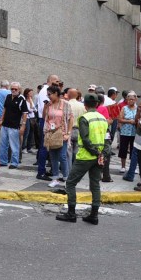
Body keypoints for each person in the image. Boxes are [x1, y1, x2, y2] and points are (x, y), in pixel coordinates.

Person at [56, 94, 109, 224]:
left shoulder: (84, 118)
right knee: (95, 185)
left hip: (86, 156)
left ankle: (71, 213)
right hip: (99, 156)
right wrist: (103, 154)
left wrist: (95, 152)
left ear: (85, 105)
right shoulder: (102, 118)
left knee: (70, 183)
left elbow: (85, 139)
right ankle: (94, 216)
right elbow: (107, 139)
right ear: (97, 104)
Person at [43, 85, 73, 187]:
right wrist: (45, 107)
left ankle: (66, 178)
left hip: (62, 133)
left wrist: (68, 133)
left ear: (56, 93)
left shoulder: (65, 104)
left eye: (49, 94)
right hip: (51, 133)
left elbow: (70, 119)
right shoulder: (49, 105)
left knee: (62, 156)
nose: (48, 97)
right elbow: (45, 118)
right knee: (53, 156)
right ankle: (55, 178)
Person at [0, 82, 27, 170]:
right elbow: (5, 109)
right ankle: (3, 161)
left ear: (19, 90)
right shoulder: (8, 96)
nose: (13, 90)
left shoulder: (22, 99)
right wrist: (1, 120)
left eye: (15, 89)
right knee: (2, 144)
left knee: (14, 145)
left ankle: (14, 162)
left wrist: (23, 125)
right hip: (5, 124)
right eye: (12, 89)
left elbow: (25, 113)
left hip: (14, 126)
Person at [117, 92, 137, 173]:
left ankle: (133, 167)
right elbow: (120, 119)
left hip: (134, 133)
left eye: (132, 99)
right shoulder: (124, 108)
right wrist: (129, 121)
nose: (130, 101)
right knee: (123, 149)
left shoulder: (138, 109)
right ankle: (123, 166)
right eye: (129, 99)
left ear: (135, 100)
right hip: (125, 132)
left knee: (134, 150)